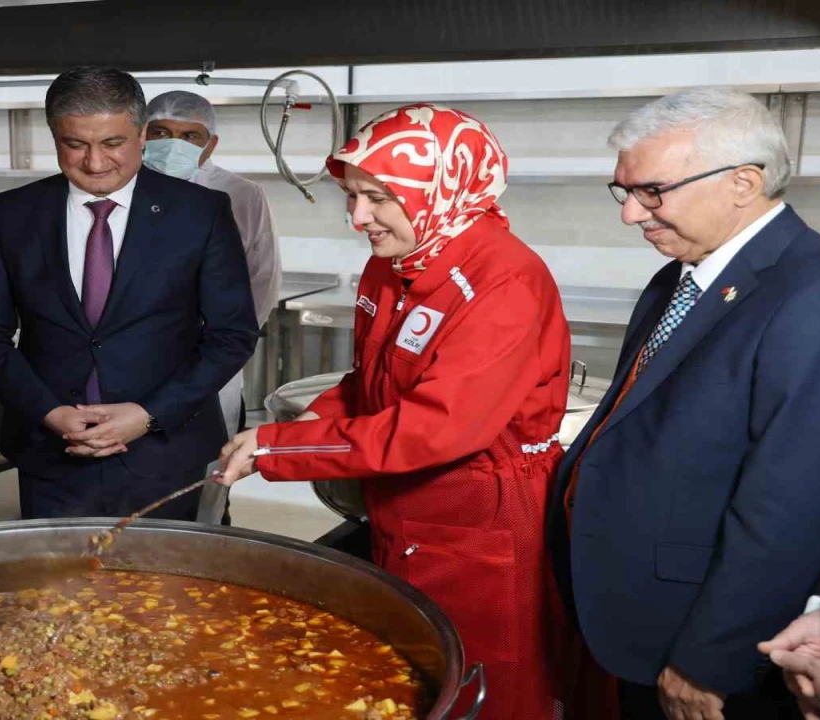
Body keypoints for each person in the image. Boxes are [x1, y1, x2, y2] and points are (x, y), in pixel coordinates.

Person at [215, 103, 574, 719]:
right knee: (413, 670)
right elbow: (370, 381)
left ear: (443, 188)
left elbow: (438, 426)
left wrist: (281, 450)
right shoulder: (394, 266)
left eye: (378, 198)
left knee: (479, 685)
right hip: (402, 507)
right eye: (352, 197)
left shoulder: (504, 282)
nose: (359, 218)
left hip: (479, 517)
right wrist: (303, 424)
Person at [546, 88, 820, 720]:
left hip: (709, 643)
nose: (632, 215)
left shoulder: (811, 293)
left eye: (653, 191)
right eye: (625, 193)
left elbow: (789, 508)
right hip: (642, 619)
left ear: (743, 183)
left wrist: (710, 658)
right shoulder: (681, 276)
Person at [0, 67, 257, 521]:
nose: (95, 163)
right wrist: (49, 412)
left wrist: (148, 414)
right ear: (54, 136)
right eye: (75, 144)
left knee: (168, 588)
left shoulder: (201, 213)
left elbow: (232, 334)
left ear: (141, 136)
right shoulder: (12, 214)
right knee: (57, 588)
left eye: (113, 144)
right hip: (51, 455)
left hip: (166, 452)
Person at [144, 89, 281, 523]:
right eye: (161, 132)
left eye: (190, 136)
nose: (174, 145)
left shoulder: (240, 195)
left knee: (205, 469)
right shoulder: (119, 189)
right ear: (140, 134)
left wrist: (223, 348)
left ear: (211, 144)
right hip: (133, 363)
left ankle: (204, 540)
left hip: (210, 363)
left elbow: (262, 278)